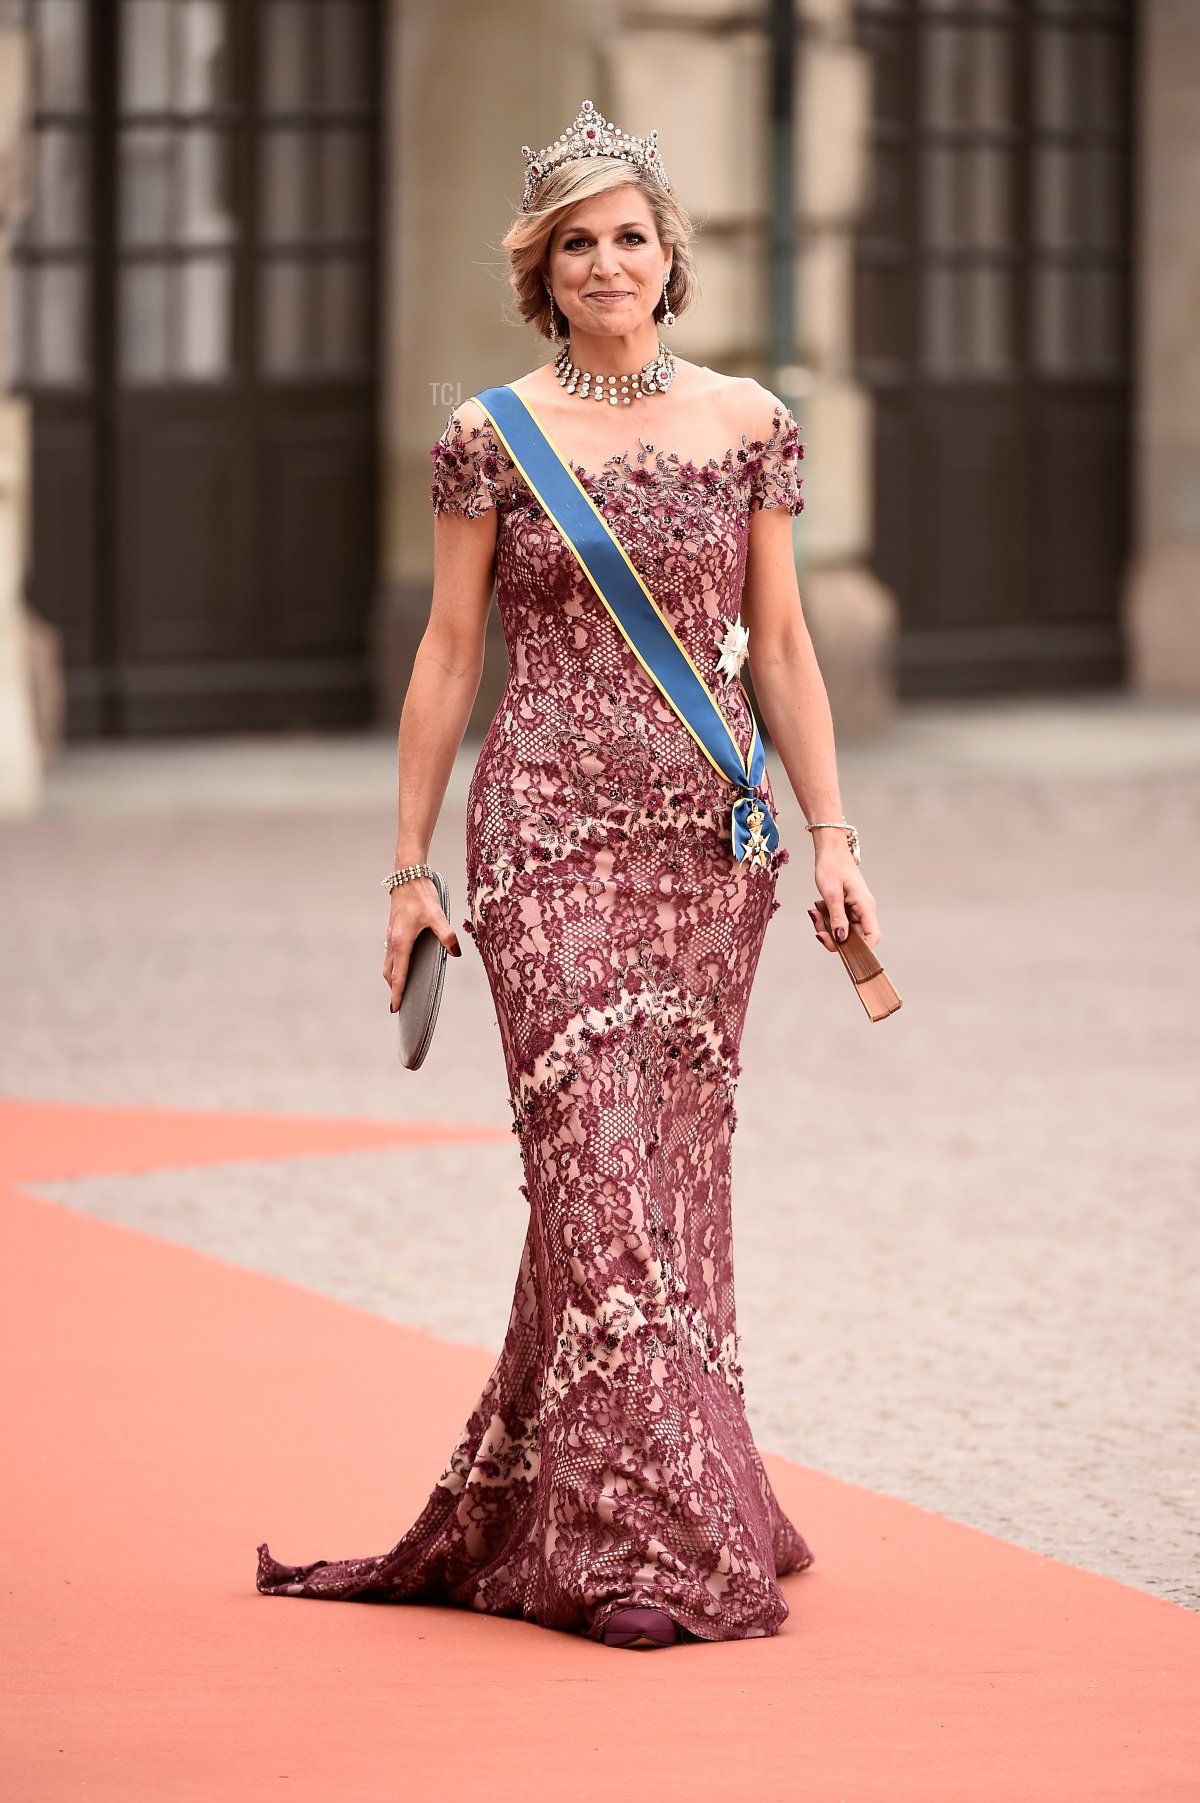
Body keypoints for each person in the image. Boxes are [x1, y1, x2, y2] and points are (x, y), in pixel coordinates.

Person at [256, 99, 880, 1650]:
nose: (608, 262)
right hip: (541, 834)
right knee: (586, 1151)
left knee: (670, 1167)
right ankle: (633, 1539)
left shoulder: (751, 425)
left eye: (632, 237)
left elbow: (787, 646)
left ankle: (681, 1472)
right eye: (579, 242)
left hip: (706, 837)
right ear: (545, 271)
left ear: (673, 260)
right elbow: (451, 652)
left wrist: (833, 833)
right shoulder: (487, 435)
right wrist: (407, 868)